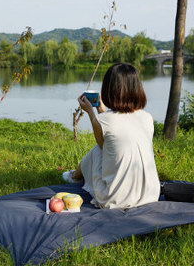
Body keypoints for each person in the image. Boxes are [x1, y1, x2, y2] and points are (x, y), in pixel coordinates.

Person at [62, 63, 161, 209]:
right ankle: (75, 175)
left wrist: (90, 111)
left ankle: (75, 177)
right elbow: (116, 130)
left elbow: (103, 144)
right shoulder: (147, 117)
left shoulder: (104, 120)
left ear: (109, 89)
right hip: (151, 195)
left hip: (116, 199)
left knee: (97, 151)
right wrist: (101, 108)